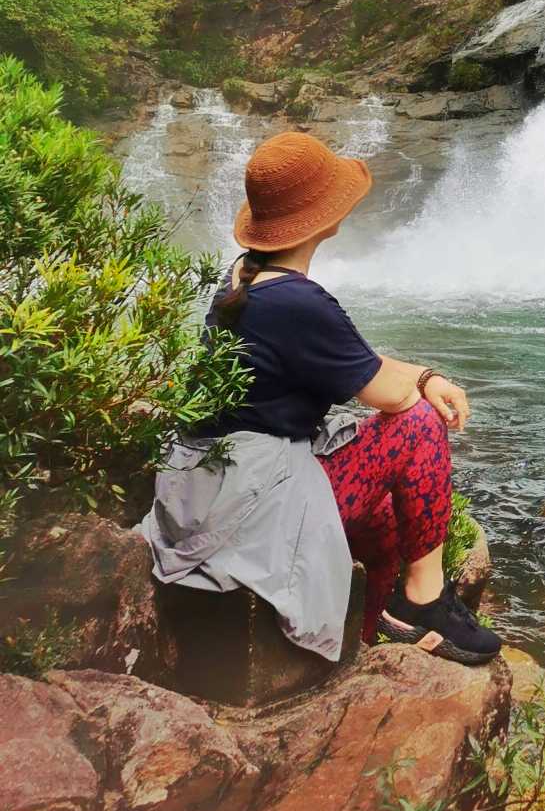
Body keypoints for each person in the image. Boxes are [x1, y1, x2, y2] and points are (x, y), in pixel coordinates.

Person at [140, 129, 500, 667]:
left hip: (212, 483)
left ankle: (376, 635)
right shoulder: (298, 301)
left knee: (381, 514)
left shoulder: (247, 278)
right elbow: (392, 398)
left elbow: (363, 362)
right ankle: (423, 599)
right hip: (250, 498)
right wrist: (425, 386)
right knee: (418, 426)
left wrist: (424, 374)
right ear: (319, 217)